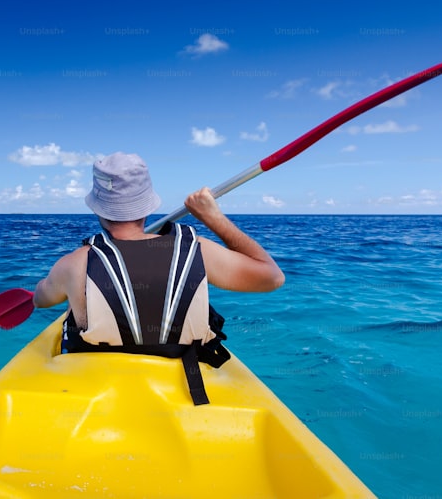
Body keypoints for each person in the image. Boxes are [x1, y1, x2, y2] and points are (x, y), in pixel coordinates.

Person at [32, 152, 285, 405]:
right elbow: (272, 277)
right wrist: (214, 219)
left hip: (96, 392)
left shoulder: (73, 264)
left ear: (97, 207)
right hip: (186, 392)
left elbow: (40, 299)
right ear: (147, 204)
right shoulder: (200, 251)